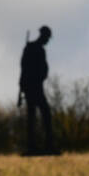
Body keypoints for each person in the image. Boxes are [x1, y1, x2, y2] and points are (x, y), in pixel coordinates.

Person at [18, 26, 57, 155]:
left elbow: (41, 69)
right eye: (47, 38)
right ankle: (34, 147)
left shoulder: (36, 49)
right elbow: (24, 68)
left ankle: (43, 146)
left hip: (35, 86)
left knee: (38, 115)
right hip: (32, 87)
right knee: (38, 115)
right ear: (43, 36)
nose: (47, 41)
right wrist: (24, 85)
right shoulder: (33, 48)